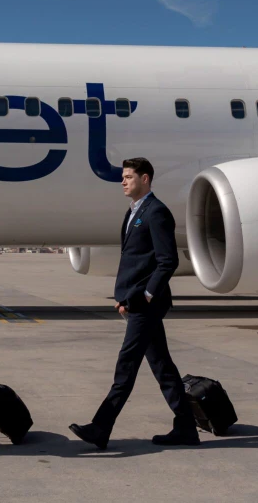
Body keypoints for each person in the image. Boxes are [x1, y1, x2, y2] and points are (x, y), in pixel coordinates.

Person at [70, 158, 199, 450]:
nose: (123, 181)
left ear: (145, 178)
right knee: (162, 366)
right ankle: (186, 428)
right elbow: (136, 261)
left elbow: (168, 261)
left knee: (126, 365)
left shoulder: (157, 212)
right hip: (137, 302)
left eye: (129, 177)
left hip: (147, 305)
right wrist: (126, 297)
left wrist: (145, 296)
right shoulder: (133, 212)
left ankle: (101, 427)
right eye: (123, 177)